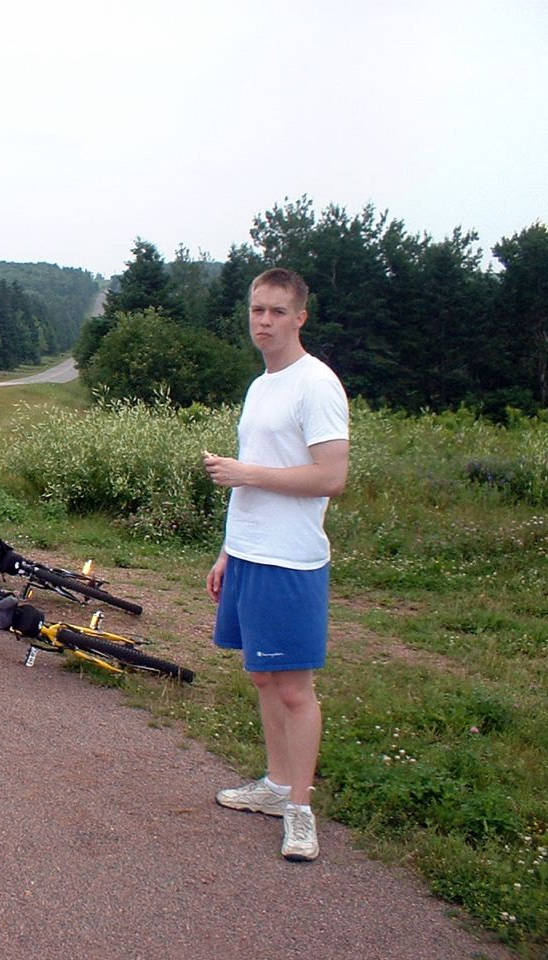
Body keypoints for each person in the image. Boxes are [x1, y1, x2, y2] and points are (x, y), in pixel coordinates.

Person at [202, 267, 349, 862]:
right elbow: (254, 474)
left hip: (291, 561)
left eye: (277, 311)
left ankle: (301, 810)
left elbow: (331, 477)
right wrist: (228, 551)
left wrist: (248, 474)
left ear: (300, 317)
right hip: (250, 553)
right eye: (257, 310)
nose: (264, 321)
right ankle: (276, 785)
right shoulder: (262, 385)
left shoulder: (317, 384)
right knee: (263, 677)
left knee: (294, 689)